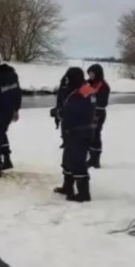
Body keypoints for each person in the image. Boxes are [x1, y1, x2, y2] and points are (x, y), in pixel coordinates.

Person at [53, 67, 96, 202]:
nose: (67, 81)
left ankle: (84, 193)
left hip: (79, 131)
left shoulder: (80, 93)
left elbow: (72, 113)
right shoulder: (86, 89)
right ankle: (68, 187)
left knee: (78, 161)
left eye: (68, 78)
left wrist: (57, 113)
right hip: (77, 131)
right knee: (68, 159)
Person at [86, 63, 110, 168]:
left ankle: (95, 159)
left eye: (92, 74)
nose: (90, 76)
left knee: (95, 134)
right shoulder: (88, 83)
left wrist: (91, 97)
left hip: (98, 113)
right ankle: (91, 157)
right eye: (89, 73)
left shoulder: (103, 86)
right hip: (89, 112)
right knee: (89, 134)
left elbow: (103, 102)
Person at [50, 70, 71, 148]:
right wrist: (57, 112)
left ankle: (70, 141)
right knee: (64, 126)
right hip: (63, 110)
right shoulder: (62, 87)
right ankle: (65, 141)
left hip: (72, 110)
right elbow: (59, 101)